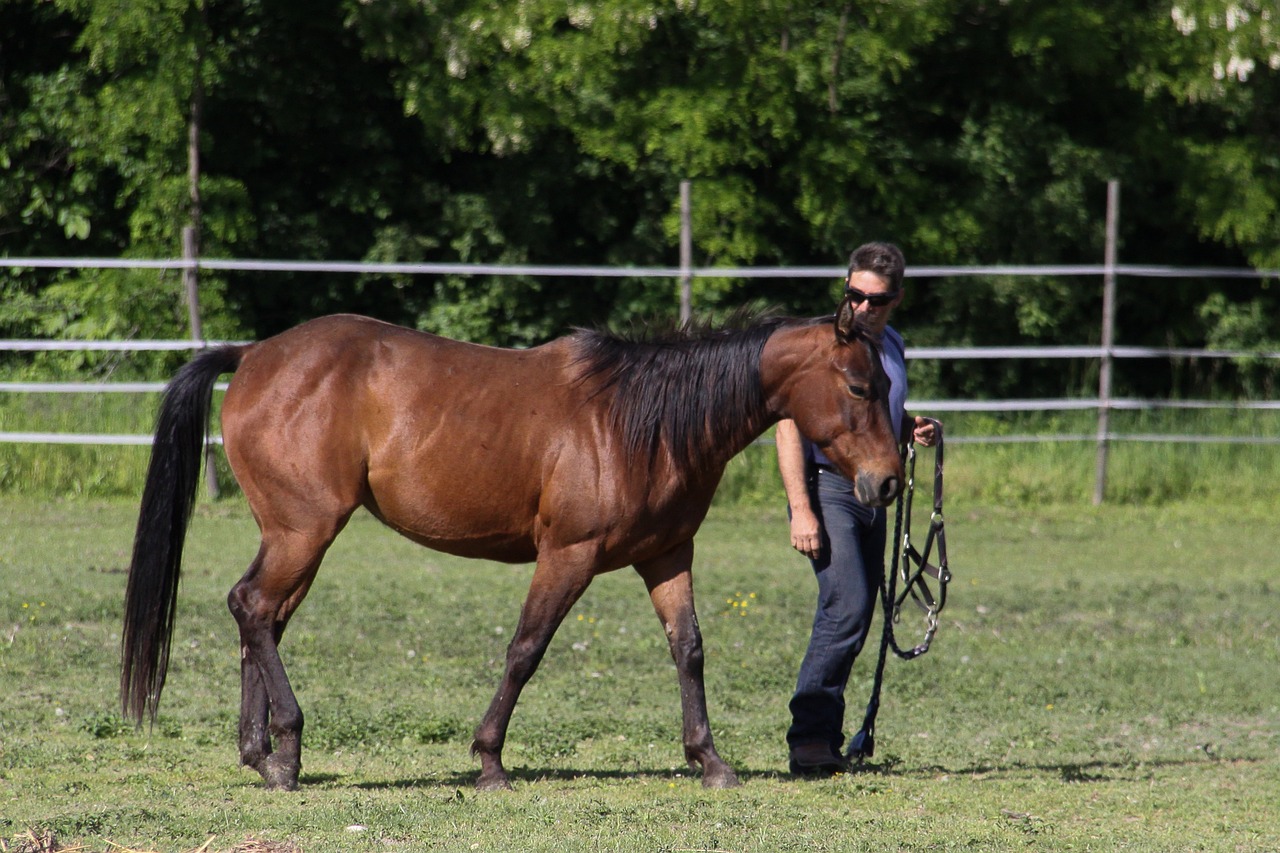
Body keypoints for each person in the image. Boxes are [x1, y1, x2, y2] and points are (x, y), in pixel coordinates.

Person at [776, 241, 938, 776]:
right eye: (855, 295)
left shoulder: (891, 344)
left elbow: (874, 411)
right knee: (845, 604)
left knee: (860, 609)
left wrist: (911, 425)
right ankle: (809, 739)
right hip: (829, 487)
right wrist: (800, 507)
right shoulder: (824, 345)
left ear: (897, 299)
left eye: (878, 299)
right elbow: (785, 424)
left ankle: (825, 734)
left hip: (871, 490)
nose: (864, 307)